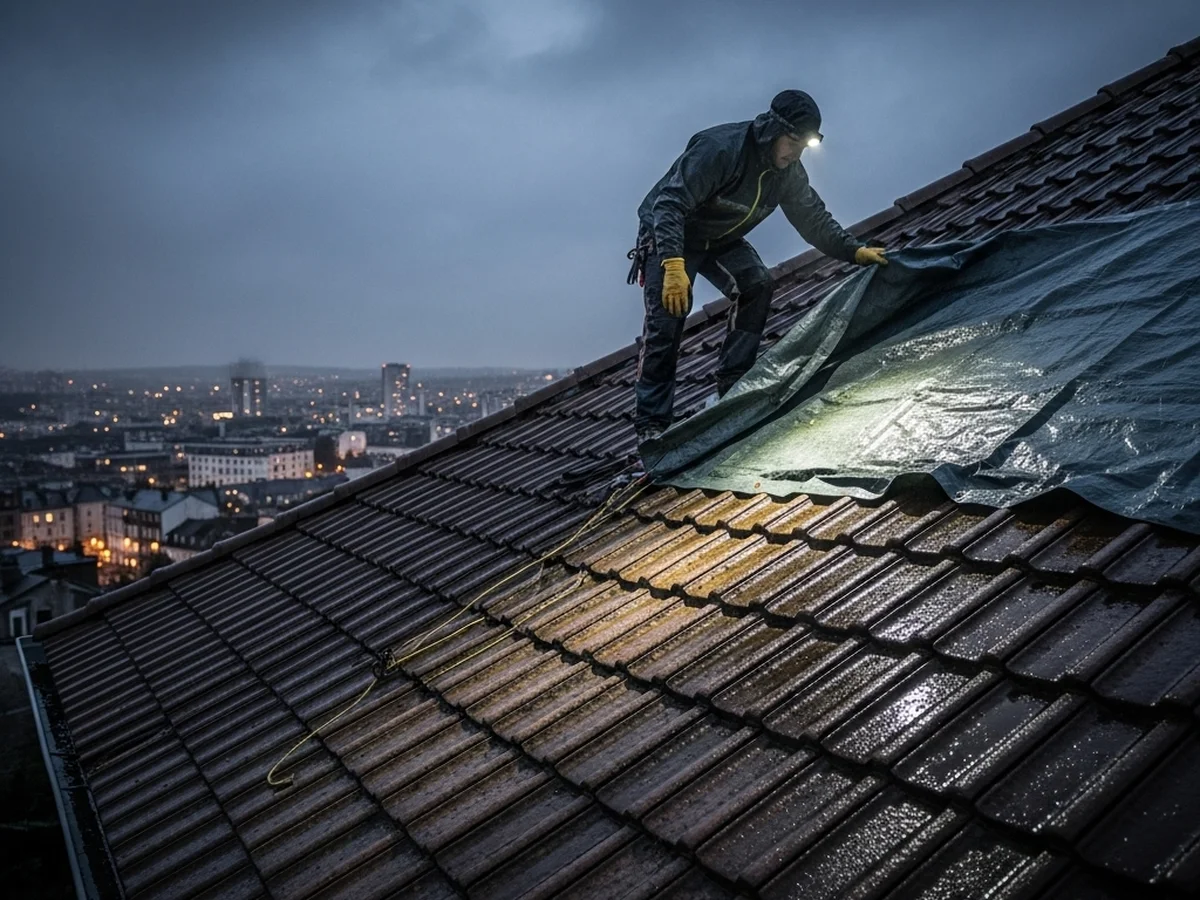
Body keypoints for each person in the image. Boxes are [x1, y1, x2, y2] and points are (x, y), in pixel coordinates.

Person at [627, 89, 888, 446]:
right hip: (672, 232)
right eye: (792, 142)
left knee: (757, 284)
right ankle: (652, 426)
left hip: (718, 237)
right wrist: (672, 265)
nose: (795, 153)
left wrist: (854, 251)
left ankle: (733, 386)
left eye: (803, 147)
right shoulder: (720, 149)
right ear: (772, 130)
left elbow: (812, 218)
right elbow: (669, 205)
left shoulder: (787, 172)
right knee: (669, 316)